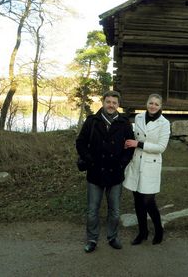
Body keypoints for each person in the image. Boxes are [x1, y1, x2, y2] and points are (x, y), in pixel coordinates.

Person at [76, 90, 134, 253]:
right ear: (103, 102)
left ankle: (112, 237)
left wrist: (122, 163)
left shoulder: (124, 123)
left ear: (118, 105)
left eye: (114, 103)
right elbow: (80, 142)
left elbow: (130, 147)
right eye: (108, 102)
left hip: (115, 173)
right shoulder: (92, 121)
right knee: (92, 210)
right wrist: (89, 159)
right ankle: (92, 239)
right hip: (95, 172)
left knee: (115, 211)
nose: (111, 105)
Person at [123, 93, 171, 245]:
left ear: (160, 106)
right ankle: (142, 232)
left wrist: (139, 144)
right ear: (146, 103)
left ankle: (159, 230)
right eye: (151, 103)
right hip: (136, 162)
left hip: (151, 164)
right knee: (137, 200)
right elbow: (134, 137)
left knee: (149, 201)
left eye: (156, 104)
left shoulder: (164, 123)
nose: (153, 106)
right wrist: (128, 143)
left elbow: (161, 147)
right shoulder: (138, 118)